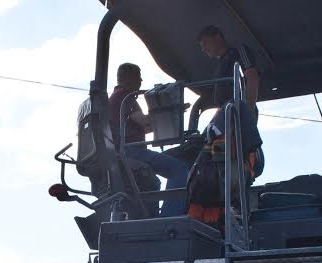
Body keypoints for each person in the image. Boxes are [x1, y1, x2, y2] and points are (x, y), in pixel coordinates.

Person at [108, 62, 189, 217]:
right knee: (179, 169)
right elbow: (144, 121)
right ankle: (169, 217)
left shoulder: (114, 99)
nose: (141, 81)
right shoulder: (125, 97)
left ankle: (153, 215)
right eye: (138, 76)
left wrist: (172, 115)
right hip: (131, 151)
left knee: (158, 178)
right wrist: (171, 110)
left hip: (125, 151)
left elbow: (145, 127)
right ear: (127, 77)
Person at [196, 25, 260, 122]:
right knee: (206, 135)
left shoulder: (239, 51)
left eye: (205, 43)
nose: (203, 49)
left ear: (217, 37)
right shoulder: (219, 65)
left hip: (239, 112)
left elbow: (252, 77)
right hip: (225, 114)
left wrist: (248, 110)